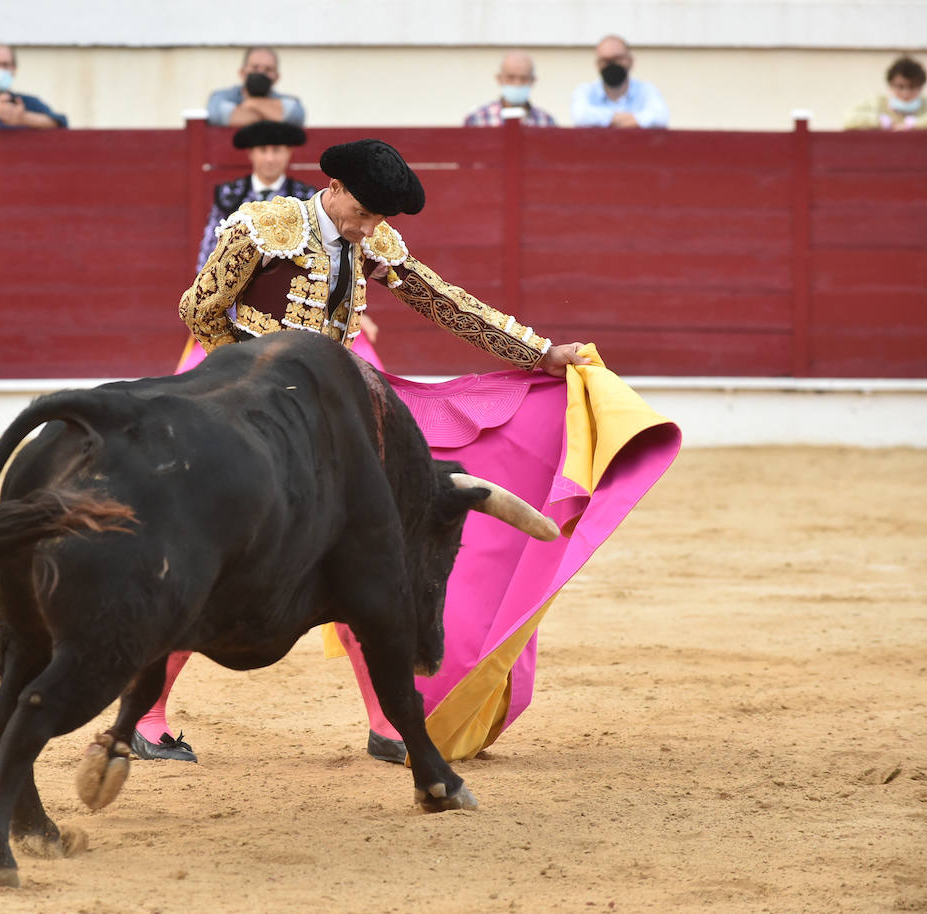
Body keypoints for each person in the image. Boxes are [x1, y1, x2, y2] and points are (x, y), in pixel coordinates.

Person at [137, 139, 680, 766]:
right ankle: (148, 716)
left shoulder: (374, 239)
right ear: (333, 186)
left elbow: (442, 301)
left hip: (326, 415)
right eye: (364, 213)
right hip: (242, 406)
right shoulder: (264, 228)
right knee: (220, 557)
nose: (370, 229)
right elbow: (199, 309)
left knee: (360, 555)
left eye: (378, 220)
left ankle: (387, 722)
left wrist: (540, 353)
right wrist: (285, 360)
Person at [194, 120, 317, 272]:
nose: (269, 158)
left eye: (277, 150)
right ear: (251, 153)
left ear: (288, 153)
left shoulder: (305, 198)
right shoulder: (229, 195)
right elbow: (210, 251)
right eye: (263, 150)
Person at [570, 34, 668, 129]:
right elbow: (581, 117)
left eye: (617, 59)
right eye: (605, 61)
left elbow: (660, 118)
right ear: (597, 65)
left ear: (631, 61)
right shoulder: (585, 90)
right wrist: (635, 121)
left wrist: (603, 121)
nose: (612, 65)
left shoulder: (647, 89)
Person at [206, 47, 306, 128]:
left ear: (277, 77)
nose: (261, 73)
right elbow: (216, 115)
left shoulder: (290, 100)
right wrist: (274, 115)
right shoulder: (221, 96)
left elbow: (296, 117)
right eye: (255, 67)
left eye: (268, 69)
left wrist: (251, 103)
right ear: (242, 72)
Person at [844, 56, 927, 131]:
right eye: (900, 87)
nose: (906, 93)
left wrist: (915, 124)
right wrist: (879, 121)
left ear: (921, 87)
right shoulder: (877, 103)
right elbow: (848, 120)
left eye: (912, 87)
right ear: (890, 86)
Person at [464, 51, 557, 127]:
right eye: (511, 77)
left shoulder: (546, 121)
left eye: (524, 78)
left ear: (533, 81)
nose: (517, 84)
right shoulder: (477, 119)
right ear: (499, 78)